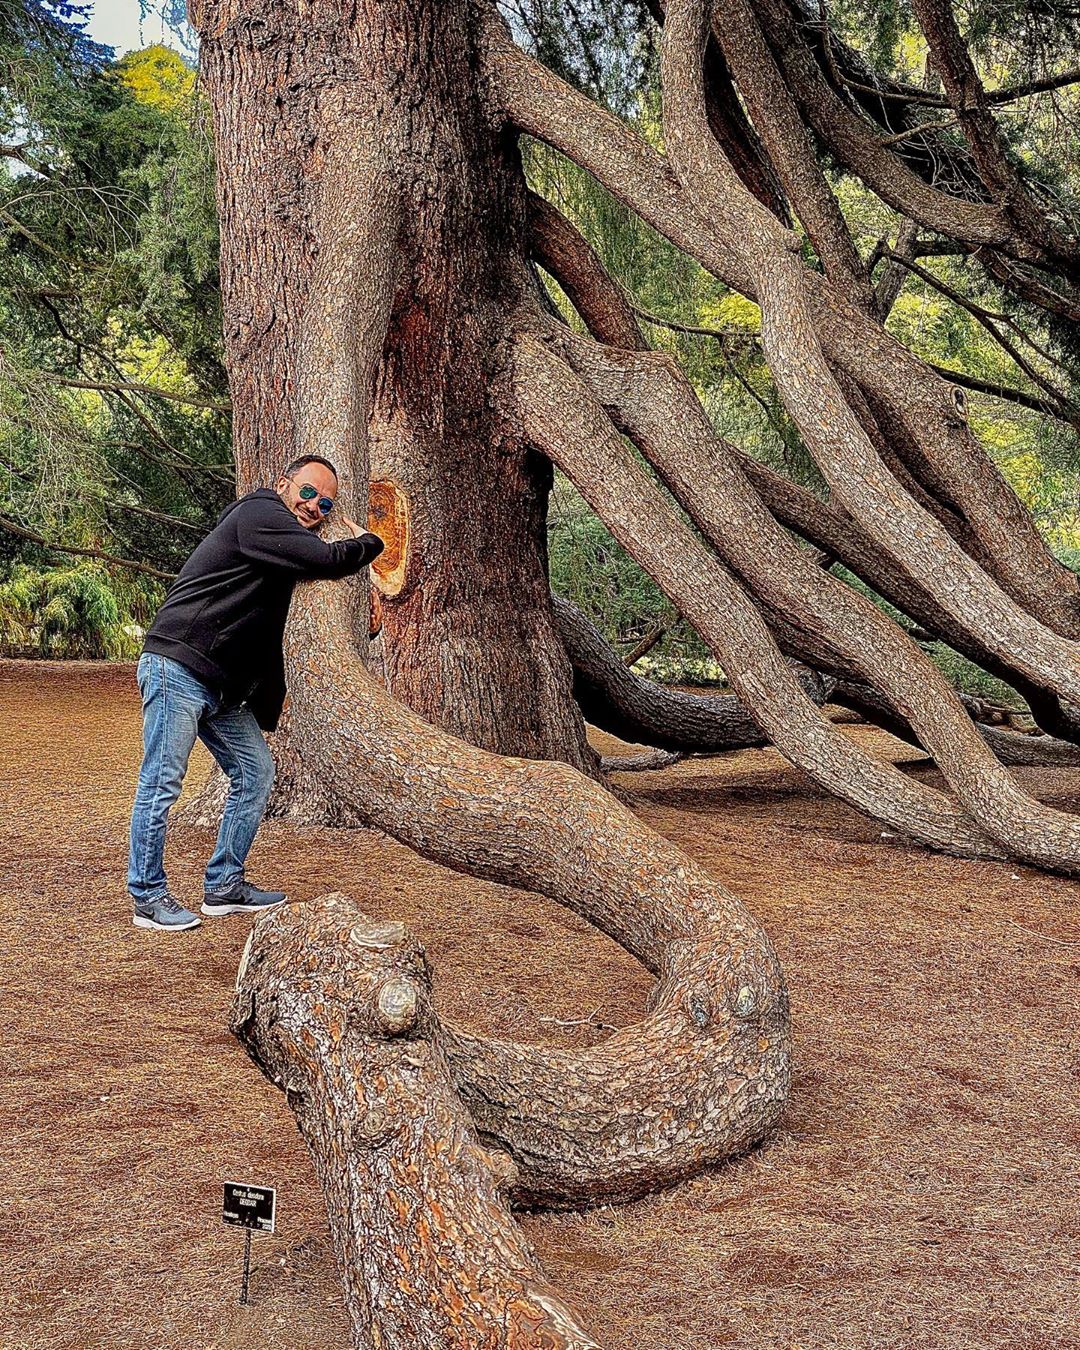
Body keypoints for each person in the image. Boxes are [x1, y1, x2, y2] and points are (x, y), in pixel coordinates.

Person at [127, 454, 384, 932]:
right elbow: (327, 560)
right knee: (161, 783)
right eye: (307, 492)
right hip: (178, 665)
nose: (314, 507)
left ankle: (224, 885)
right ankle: (147, 896)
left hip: (222, 687)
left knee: (256, 772)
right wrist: (370, 543)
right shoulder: (259, 512)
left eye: (325, 503)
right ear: (283, 484)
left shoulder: (278, 545)